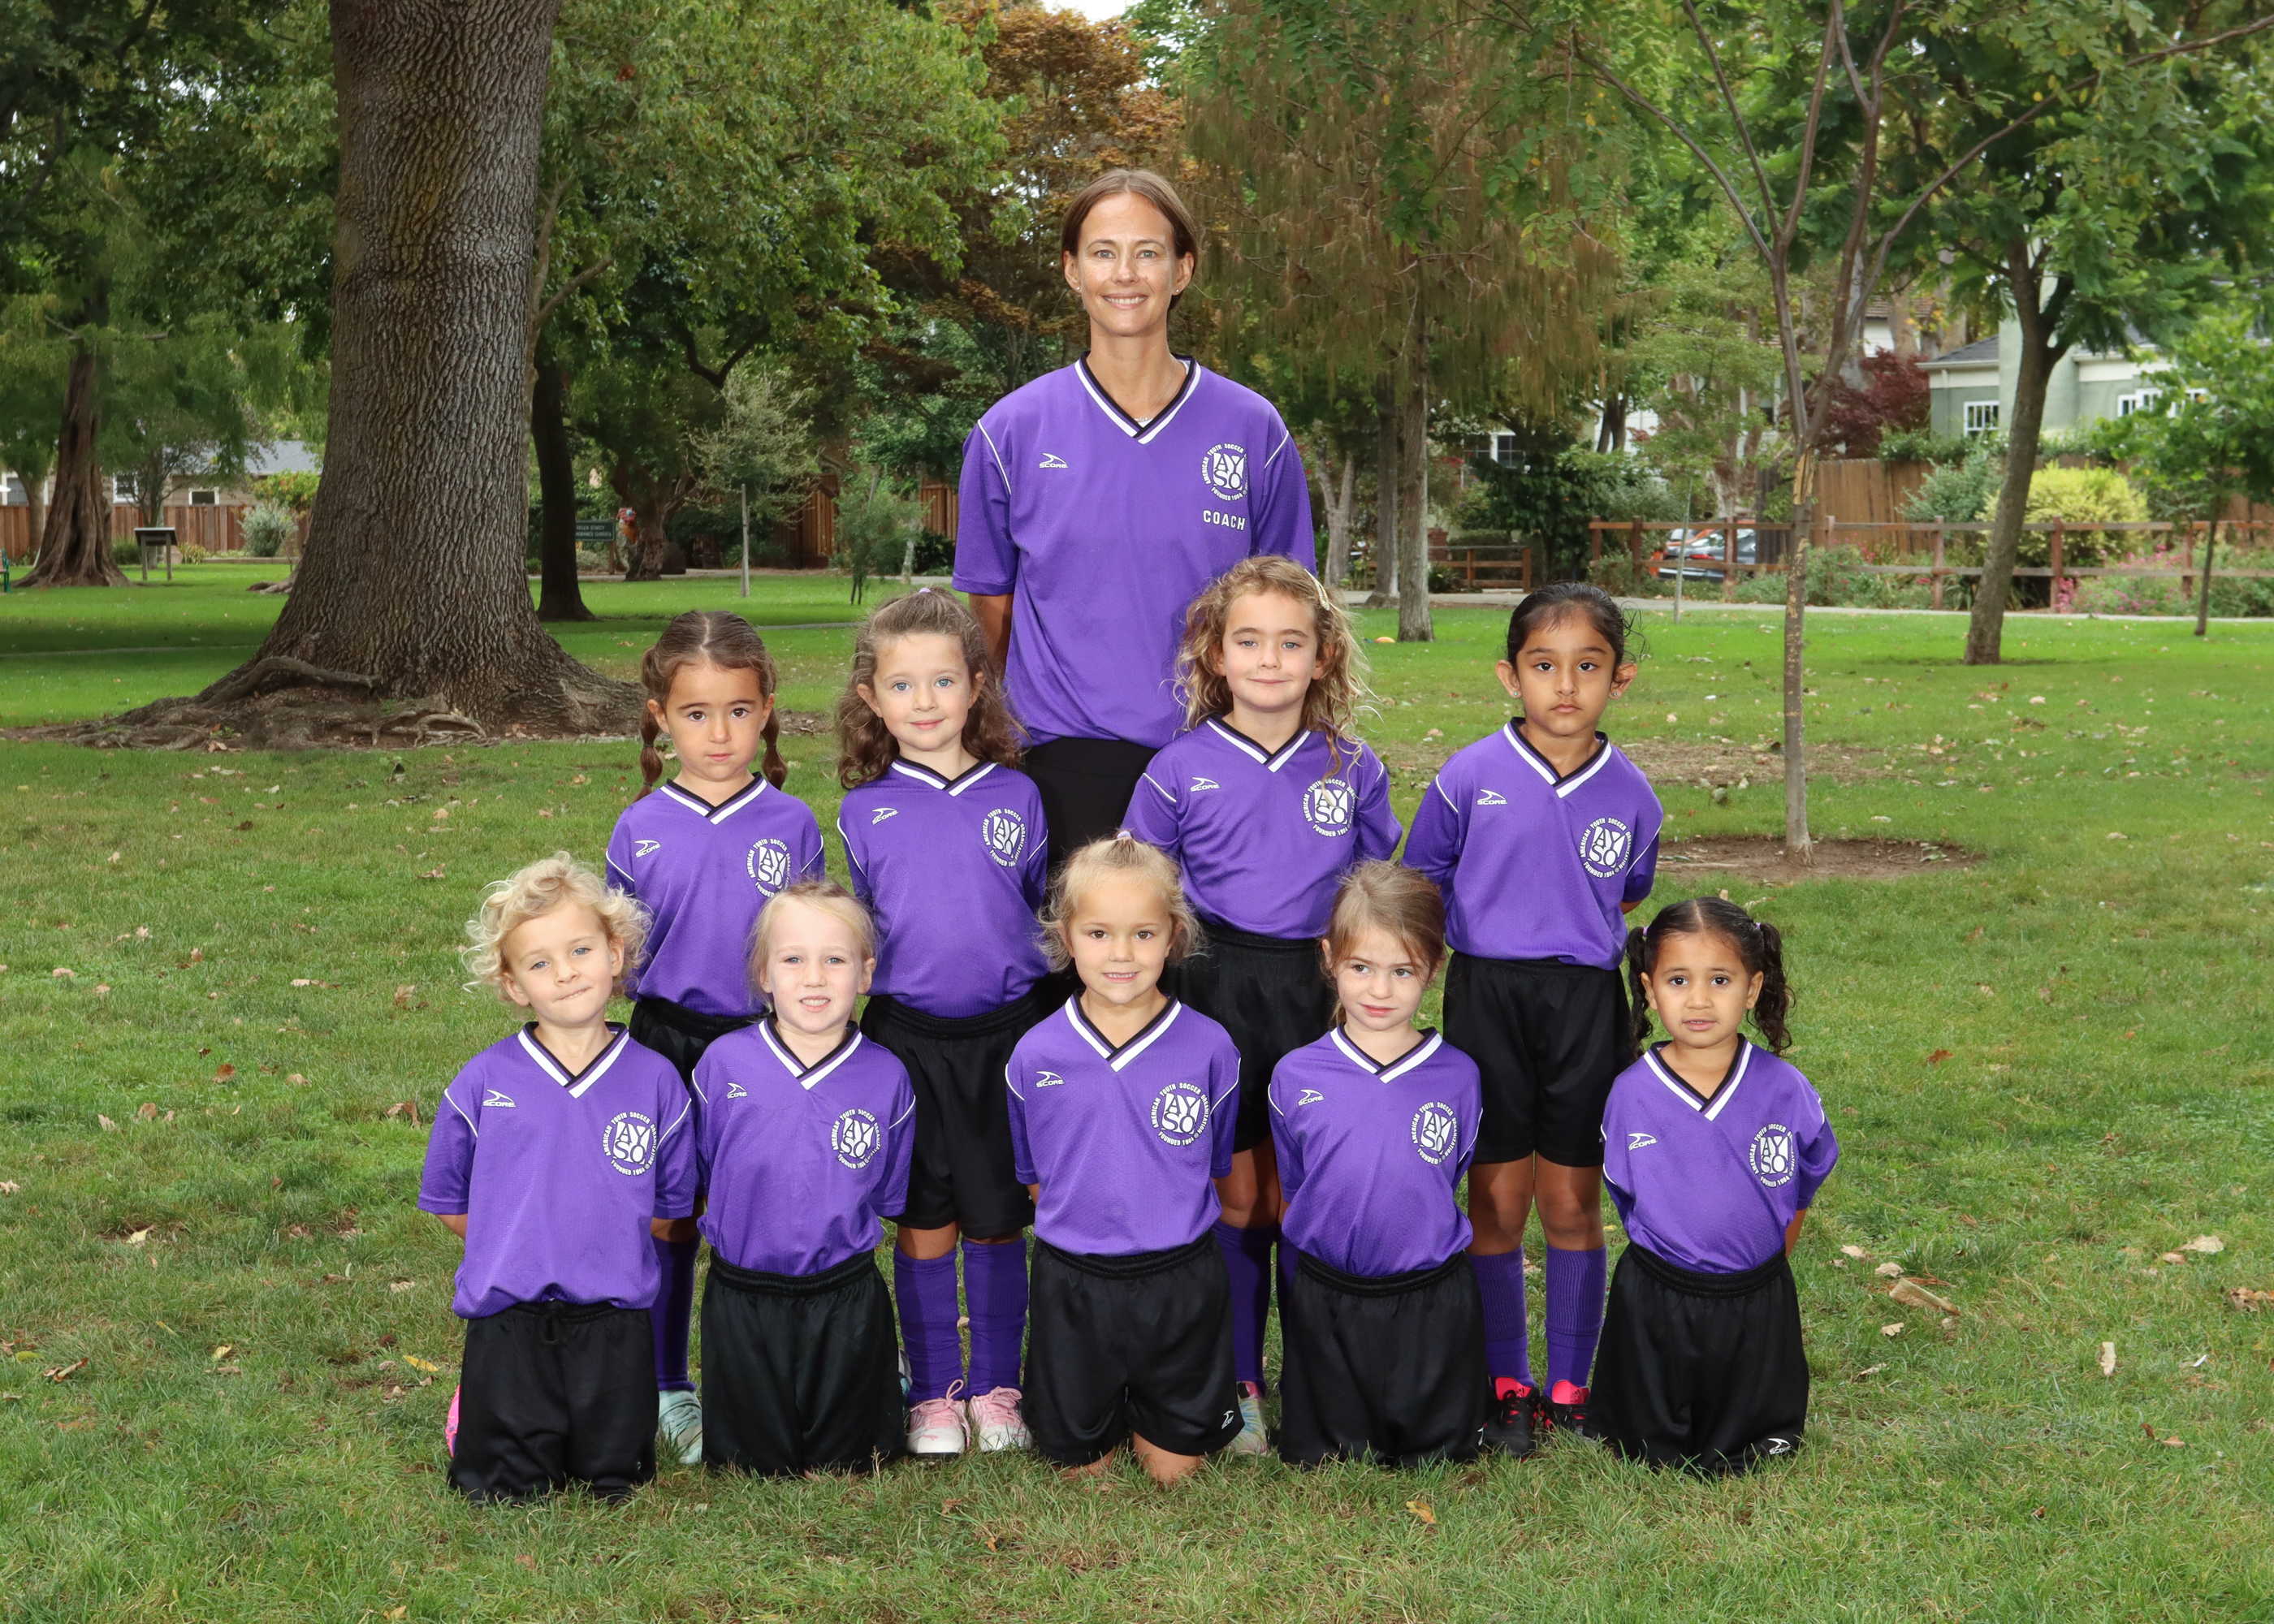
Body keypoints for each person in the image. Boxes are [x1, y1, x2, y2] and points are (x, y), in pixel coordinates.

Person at [953, 167, 1315, 867]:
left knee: (1216, 943)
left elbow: (1291, 611)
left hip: (1224, 749)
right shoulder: (1009, 433)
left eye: (1148, 252)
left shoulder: (1253, 430)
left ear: (1183, 270)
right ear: (1072, 270)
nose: (1125, 273)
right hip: (1064, 763)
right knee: (1089, 941)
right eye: (1104, 252)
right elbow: (991, 610)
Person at [1122, 555, 1398, 1449]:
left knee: (1308, 1193)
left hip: (1319, 992)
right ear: (1215, 654)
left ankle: (1320, 1379)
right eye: (1248, 641)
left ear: (1324, 655)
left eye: (1290, 642)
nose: (1269, 659)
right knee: (1239, 1198)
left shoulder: (1352, 767)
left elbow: (1378, 886)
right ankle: (1239, 1381)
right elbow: (1139, 891)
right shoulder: (1177, 768)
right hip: (1215, 989)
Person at [1401, 582, 1662, 1456]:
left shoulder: (1633, 795)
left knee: (1572, 1200)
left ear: (1619, 679)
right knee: (1497, 1197)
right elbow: (1423, 876)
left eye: (1587, 666)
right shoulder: (1469, 775)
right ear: (1510, 676)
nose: (1565, 685)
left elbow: (1627, 891)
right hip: (1487, 996)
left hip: (1585, 1004)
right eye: (1544, 665)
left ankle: (1571, 1386)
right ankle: (1506, 1383)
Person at [834, 588, 1053, 1458]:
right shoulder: (863, 809)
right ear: (872, 698)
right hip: (907, 1039)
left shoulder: (1020, 796)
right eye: (902, 685)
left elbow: (1032, 909)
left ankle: (997, 1387)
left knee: (996, 1216)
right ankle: (933, 1392)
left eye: (943, 681)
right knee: (925, 1218)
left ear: (976, 686)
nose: (923, 702)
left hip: (1007, 1033)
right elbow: (863, 926)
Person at [605, 610, 825, 1466]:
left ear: (766, 709)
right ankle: (668, 1383)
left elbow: (809, 943)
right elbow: (619, 957)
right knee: (671, 1217)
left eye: (738, 710)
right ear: (661, 717)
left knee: (765, 1210)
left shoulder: (792, 822)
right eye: (696, 714)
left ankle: (773, 1369)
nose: (720, 733)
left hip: (767, 1044)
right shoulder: (639, 827)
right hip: (667, 1041)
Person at [418, 854, 698, 1502]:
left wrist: (598, 1244)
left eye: (580, 950)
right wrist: (515, 1244)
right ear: (514, 985)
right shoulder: (483, 1082)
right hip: (510, 1317)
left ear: (615, 954)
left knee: (616, 1482)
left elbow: (669, 1209)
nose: (566, 972)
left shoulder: (656, 1081)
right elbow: (449, 1201)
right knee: (503, 1488)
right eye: (540, 963)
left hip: (615, 1318)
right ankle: (479, 1407)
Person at [1005, 836, 1244, 1483]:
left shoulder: (1210, 1048)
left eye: (1143, 934)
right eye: (1099, 933)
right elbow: (1035, 1178)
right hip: (1075, 1284)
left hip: (1179, 1282)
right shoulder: (1035, 1054)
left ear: (1173, 937)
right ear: (1067, 936)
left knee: (1173, 1474)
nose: (1121, 954)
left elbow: (1211, 1164)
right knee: (1082, 1474)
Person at [1593, 897, 1835, 1474]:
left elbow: (1805, 1180)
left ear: (1752, 989)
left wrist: (1766, 1265)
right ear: (1651, 990)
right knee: (1646, 1445)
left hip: (1756, 1294)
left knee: (1753, 1442)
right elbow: (1625, 1193)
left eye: (1720, 980)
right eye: (1679, 980)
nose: (1699, 1000)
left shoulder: (1785, 1089)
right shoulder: (1631, 1093)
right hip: (1658, 1295)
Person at [689, 882, 914, 1477]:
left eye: (835, 960)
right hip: (743, 1295)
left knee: (853, 1461)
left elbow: (887, 1192)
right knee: (750, 1465)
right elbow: (704, 1173)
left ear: (865, 974)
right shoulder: (722, 1065)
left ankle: (881, 1375)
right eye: (793, 959)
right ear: (764, 973)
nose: (814, 978)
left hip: (845, 1295)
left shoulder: (887, 1077)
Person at [1269, 863, 1485, 1468]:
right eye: (1361, 967)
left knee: (1437, 1455)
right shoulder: (1295, 1075)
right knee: (1323, 1455)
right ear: (1329, 959)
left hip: (1428, 1297)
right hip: (1329, 1297)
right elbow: (1297, 1188)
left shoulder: (1459, 1076)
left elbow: (1447, 1176)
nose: (1380, 991)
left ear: (1433, 970)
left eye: (1402, 972)